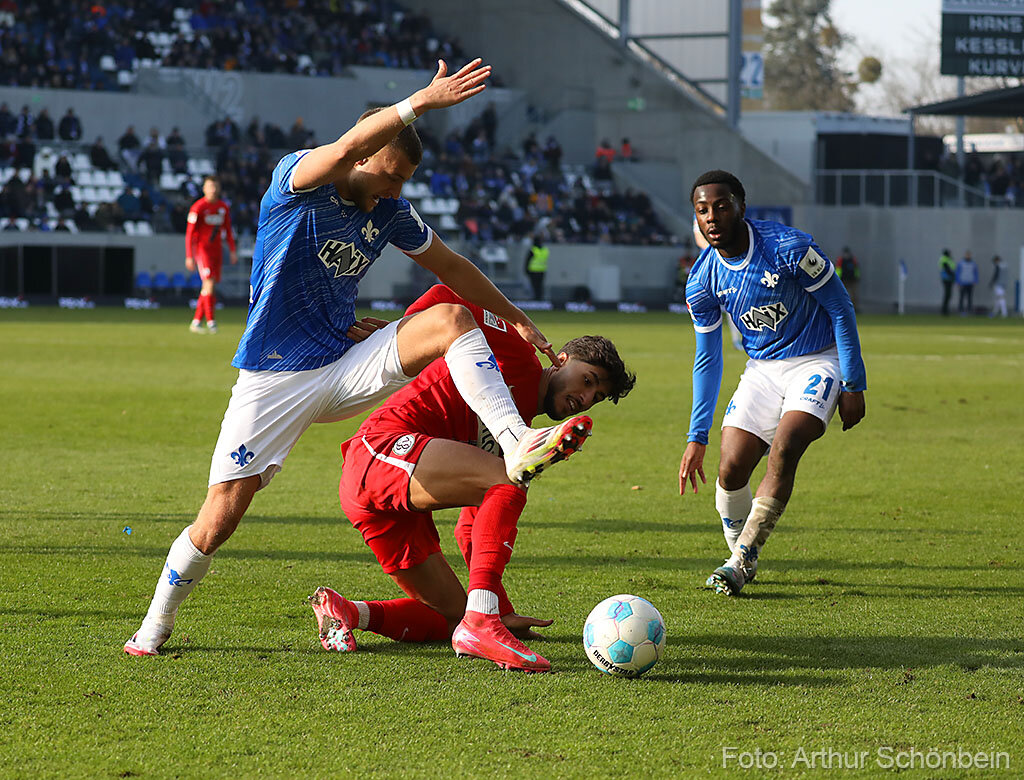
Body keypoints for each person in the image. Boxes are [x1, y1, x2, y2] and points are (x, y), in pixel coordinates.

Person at [124, 58, 593, 657]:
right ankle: (155, 624)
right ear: (365, 156)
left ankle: (515, 439)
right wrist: (419, 103)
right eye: (390, 177)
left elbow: (451, 267)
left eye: (404, 183)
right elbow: (344, 146)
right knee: (220, 517)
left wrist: (517, 316)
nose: (395, 192)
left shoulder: (391, 213)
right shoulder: (299, 181)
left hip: (344, 364)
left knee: (452, 319)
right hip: (275, 377)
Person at [309, 285, 635, 672]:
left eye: (597, 396)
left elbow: (470, 530)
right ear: (559, 360)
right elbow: (446, 295)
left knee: (451, 618)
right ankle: (481, 622)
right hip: (379, 451)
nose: (586, 397)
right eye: (588, 380)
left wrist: (502, 609)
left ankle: (348, 611)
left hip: (394, 496)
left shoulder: (515, 436)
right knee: (508, 480)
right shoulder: (516, 350)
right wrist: (399, 333)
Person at [678, 170, 866, 596]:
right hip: (762, 368)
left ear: (741, 207)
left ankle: (739, 561)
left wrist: (854, 383)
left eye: (721, 206)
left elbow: (840, 307)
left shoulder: (789, 248)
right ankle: (740, 554)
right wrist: (696, 436)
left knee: (785, 446)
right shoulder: (702, 281)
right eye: (703, 210)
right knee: (730, 470)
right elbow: (708, 358)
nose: (712, 217)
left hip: (819, 360)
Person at [185, 175, 238, 333]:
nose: (213, 190)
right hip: (202, 250)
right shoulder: (198, 207)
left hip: (217, 250)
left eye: (215, 186)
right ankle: (211, 321)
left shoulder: (223, 207)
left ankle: (196, 322)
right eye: (210, 186)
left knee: (209, 287)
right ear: (204, 189)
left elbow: (228, 230)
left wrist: (232, 250)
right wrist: (189, 256)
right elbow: (189, 234)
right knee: (209, 283)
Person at [835, 246, 860, 311]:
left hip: (852, 280)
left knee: (853, 295)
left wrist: (856, 277)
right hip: (843, 280)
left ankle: (855, 308)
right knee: (842, 295)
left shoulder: (852, 259)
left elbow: (856, 269)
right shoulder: (841, 260)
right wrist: (838, 279)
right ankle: (843, 308)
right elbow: (838, 269)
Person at [524, 234, 548, 300]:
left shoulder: (533, 250)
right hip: (542, 270)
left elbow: (527, 261)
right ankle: (540, 298)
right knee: (540, 286)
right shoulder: (545, 250)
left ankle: (536, 299)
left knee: (534, 286)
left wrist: (526, 269)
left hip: (533, 271)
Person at [956, 250, 978, 316]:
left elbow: (976, 273)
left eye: (969, 255)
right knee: (962, 297)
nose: (968, 256)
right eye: (967, 255)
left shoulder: (973, 264)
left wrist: (975, 281)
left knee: (969, 297)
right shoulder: (961, 263)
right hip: (963, 282)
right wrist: (958, 282)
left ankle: (969, 309)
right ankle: (960, 309)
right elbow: (957, 273)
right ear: (965, 255)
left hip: (970, 282)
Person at [939, 248, 955, 316]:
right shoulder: (944, 259)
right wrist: (953, 275)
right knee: (947, 294)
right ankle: (944, 310)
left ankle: (945, 309)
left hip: (949, 279)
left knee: (948, 295)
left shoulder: (948, 259)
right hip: (946, 278)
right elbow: (947, 268)